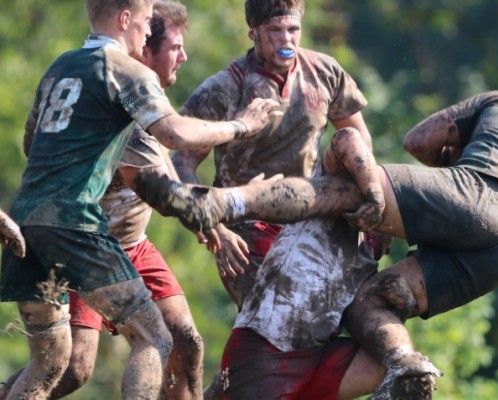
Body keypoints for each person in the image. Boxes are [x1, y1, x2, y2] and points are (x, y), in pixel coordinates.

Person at [138, 84, 498, 398]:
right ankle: (404, 367)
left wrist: (443, 169)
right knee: (374, 304)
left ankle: (224, 202)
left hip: (474, 191)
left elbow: (418, 141)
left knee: (345, 195)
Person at [0, 0, 280, 398]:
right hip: (75, 224)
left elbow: (32, 142)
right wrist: (243, 125)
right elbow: (176, 135)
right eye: (147, 22)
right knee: (155, 338)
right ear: (125, 19)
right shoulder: (126, 70)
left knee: (49, 362)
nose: (148, 33)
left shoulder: (60, 66)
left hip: (25, 222)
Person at [171, 0, 371, 310]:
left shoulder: (325, 72)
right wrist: (211, 225)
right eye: (275, 31)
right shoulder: (225, 89)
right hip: (245, 227)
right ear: (253, 33)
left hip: (311, 215)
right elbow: (181, 162)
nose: (286, 39)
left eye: (293, 29)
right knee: (269, 317)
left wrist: (374, 209)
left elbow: (358, 140)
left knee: (342, 313)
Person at [221, 127, 390, 399]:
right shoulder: (330, 196)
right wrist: (375, 196)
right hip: (265, 350)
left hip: (316, 356)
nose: (393, 236)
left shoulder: (369, 262)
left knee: (390, 365)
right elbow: (346, 137)